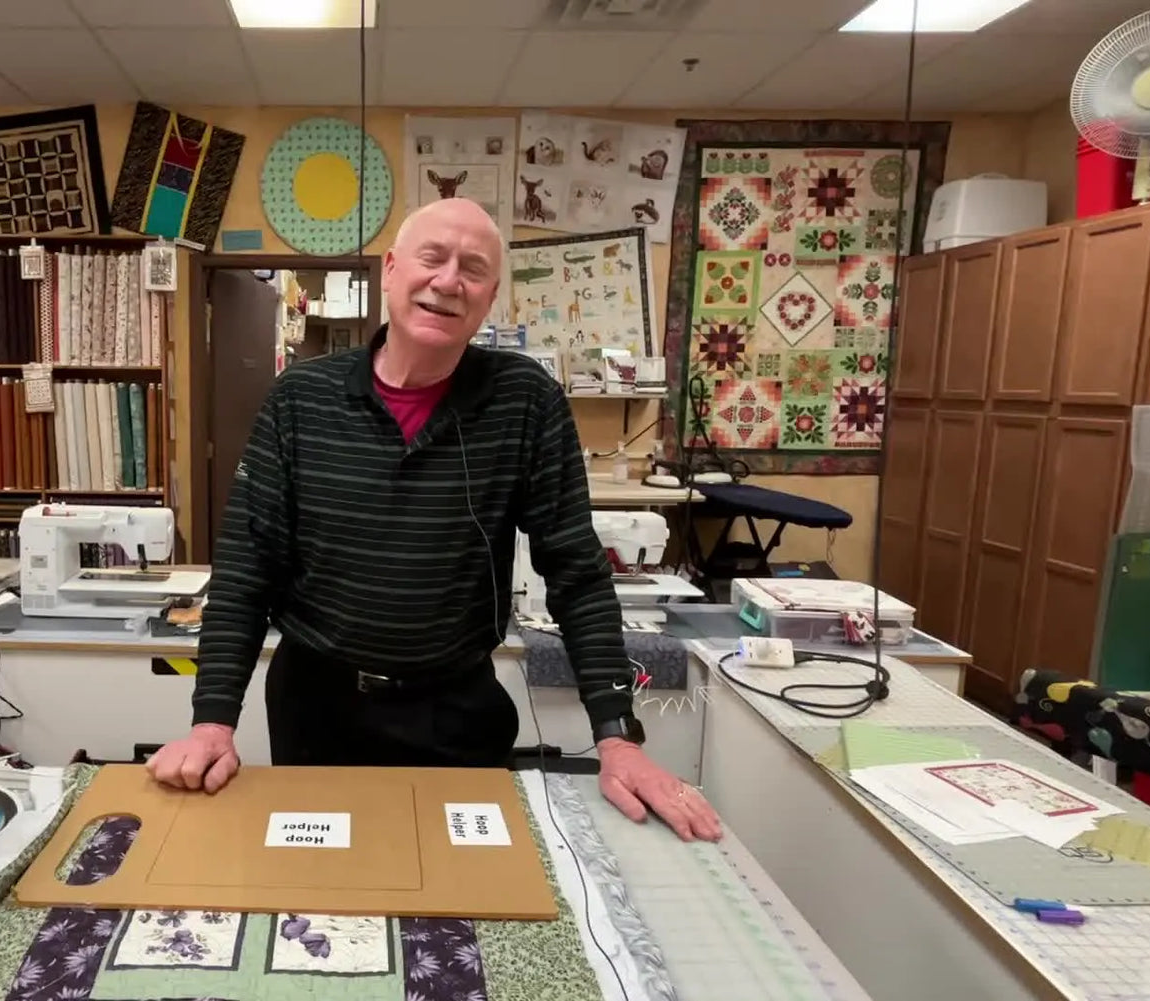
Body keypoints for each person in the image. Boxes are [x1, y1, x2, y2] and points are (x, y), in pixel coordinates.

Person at [147, 198, 722, 842]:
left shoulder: (525, 400)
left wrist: (617, 738)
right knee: (323, 897)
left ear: (490, 297)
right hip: (316, 712)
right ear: (391, 271)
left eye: (473, 270)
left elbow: (578, 574)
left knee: (464, 913)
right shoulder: (299, 400)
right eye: (433, 258)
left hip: (456, 713)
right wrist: (212, 722)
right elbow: (247, 570)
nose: (449, 281)